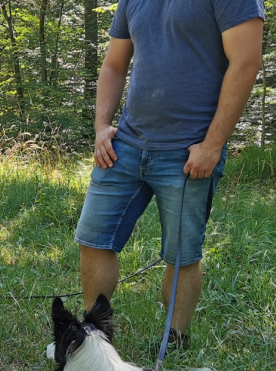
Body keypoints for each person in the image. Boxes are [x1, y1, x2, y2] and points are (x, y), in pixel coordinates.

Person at [77, 0, 265, 350]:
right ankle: (95, 337)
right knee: (94, 239)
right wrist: (102, 126)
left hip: (189, 151)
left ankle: (174, 340)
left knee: (182, 255)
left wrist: (212, 145)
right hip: (125, 146)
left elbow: (246, 61)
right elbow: (115, 65)